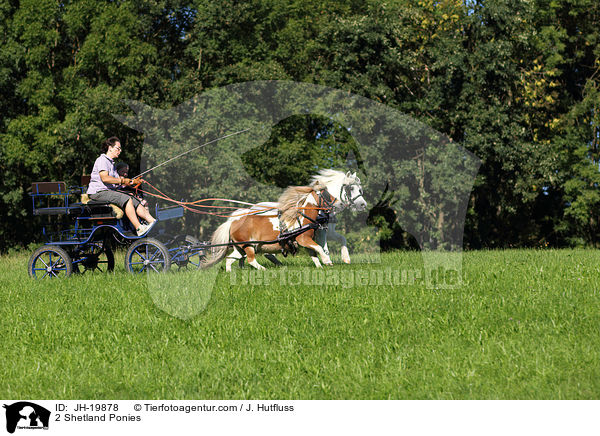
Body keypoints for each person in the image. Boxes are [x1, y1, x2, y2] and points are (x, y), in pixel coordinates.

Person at [87, 137, 156, 236]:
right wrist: (123, 180)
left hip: (108, 192)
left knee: (133, 199)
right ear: (110, 147)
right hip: (98, 192)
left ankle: (152, 221)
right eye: (118, 148)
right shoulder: (102, 160)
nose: (120, 151)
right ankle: (139, 228)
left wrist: (133, 182)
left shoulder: (111, 163)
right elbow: (105, 178)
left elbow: (119, 181)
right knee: (126, 199)